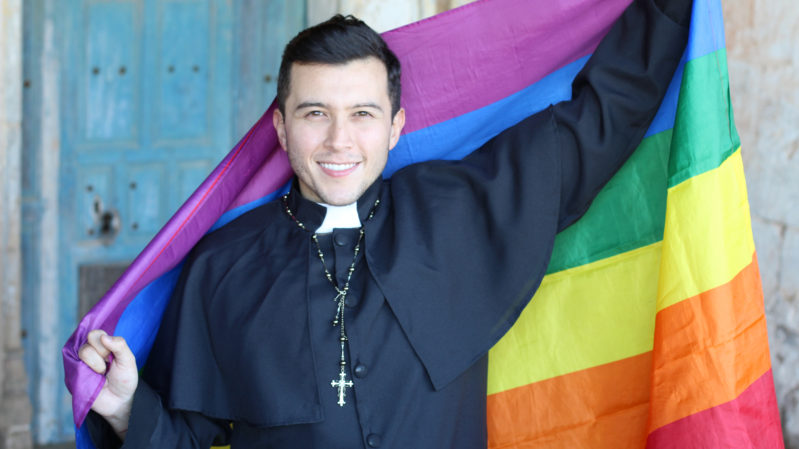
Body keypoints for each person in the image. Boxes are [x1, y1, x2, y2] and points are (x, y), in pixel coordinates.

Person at [78, 0, 692, 447]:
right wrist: (130, 407)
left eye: (363, 114)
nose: (340, 140)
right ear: (281, 128)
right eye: (315, 113)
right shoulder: (222, 266)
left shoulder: (459, 215)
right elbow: (188, 440)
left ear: (396, 127)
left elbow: (597, 124)